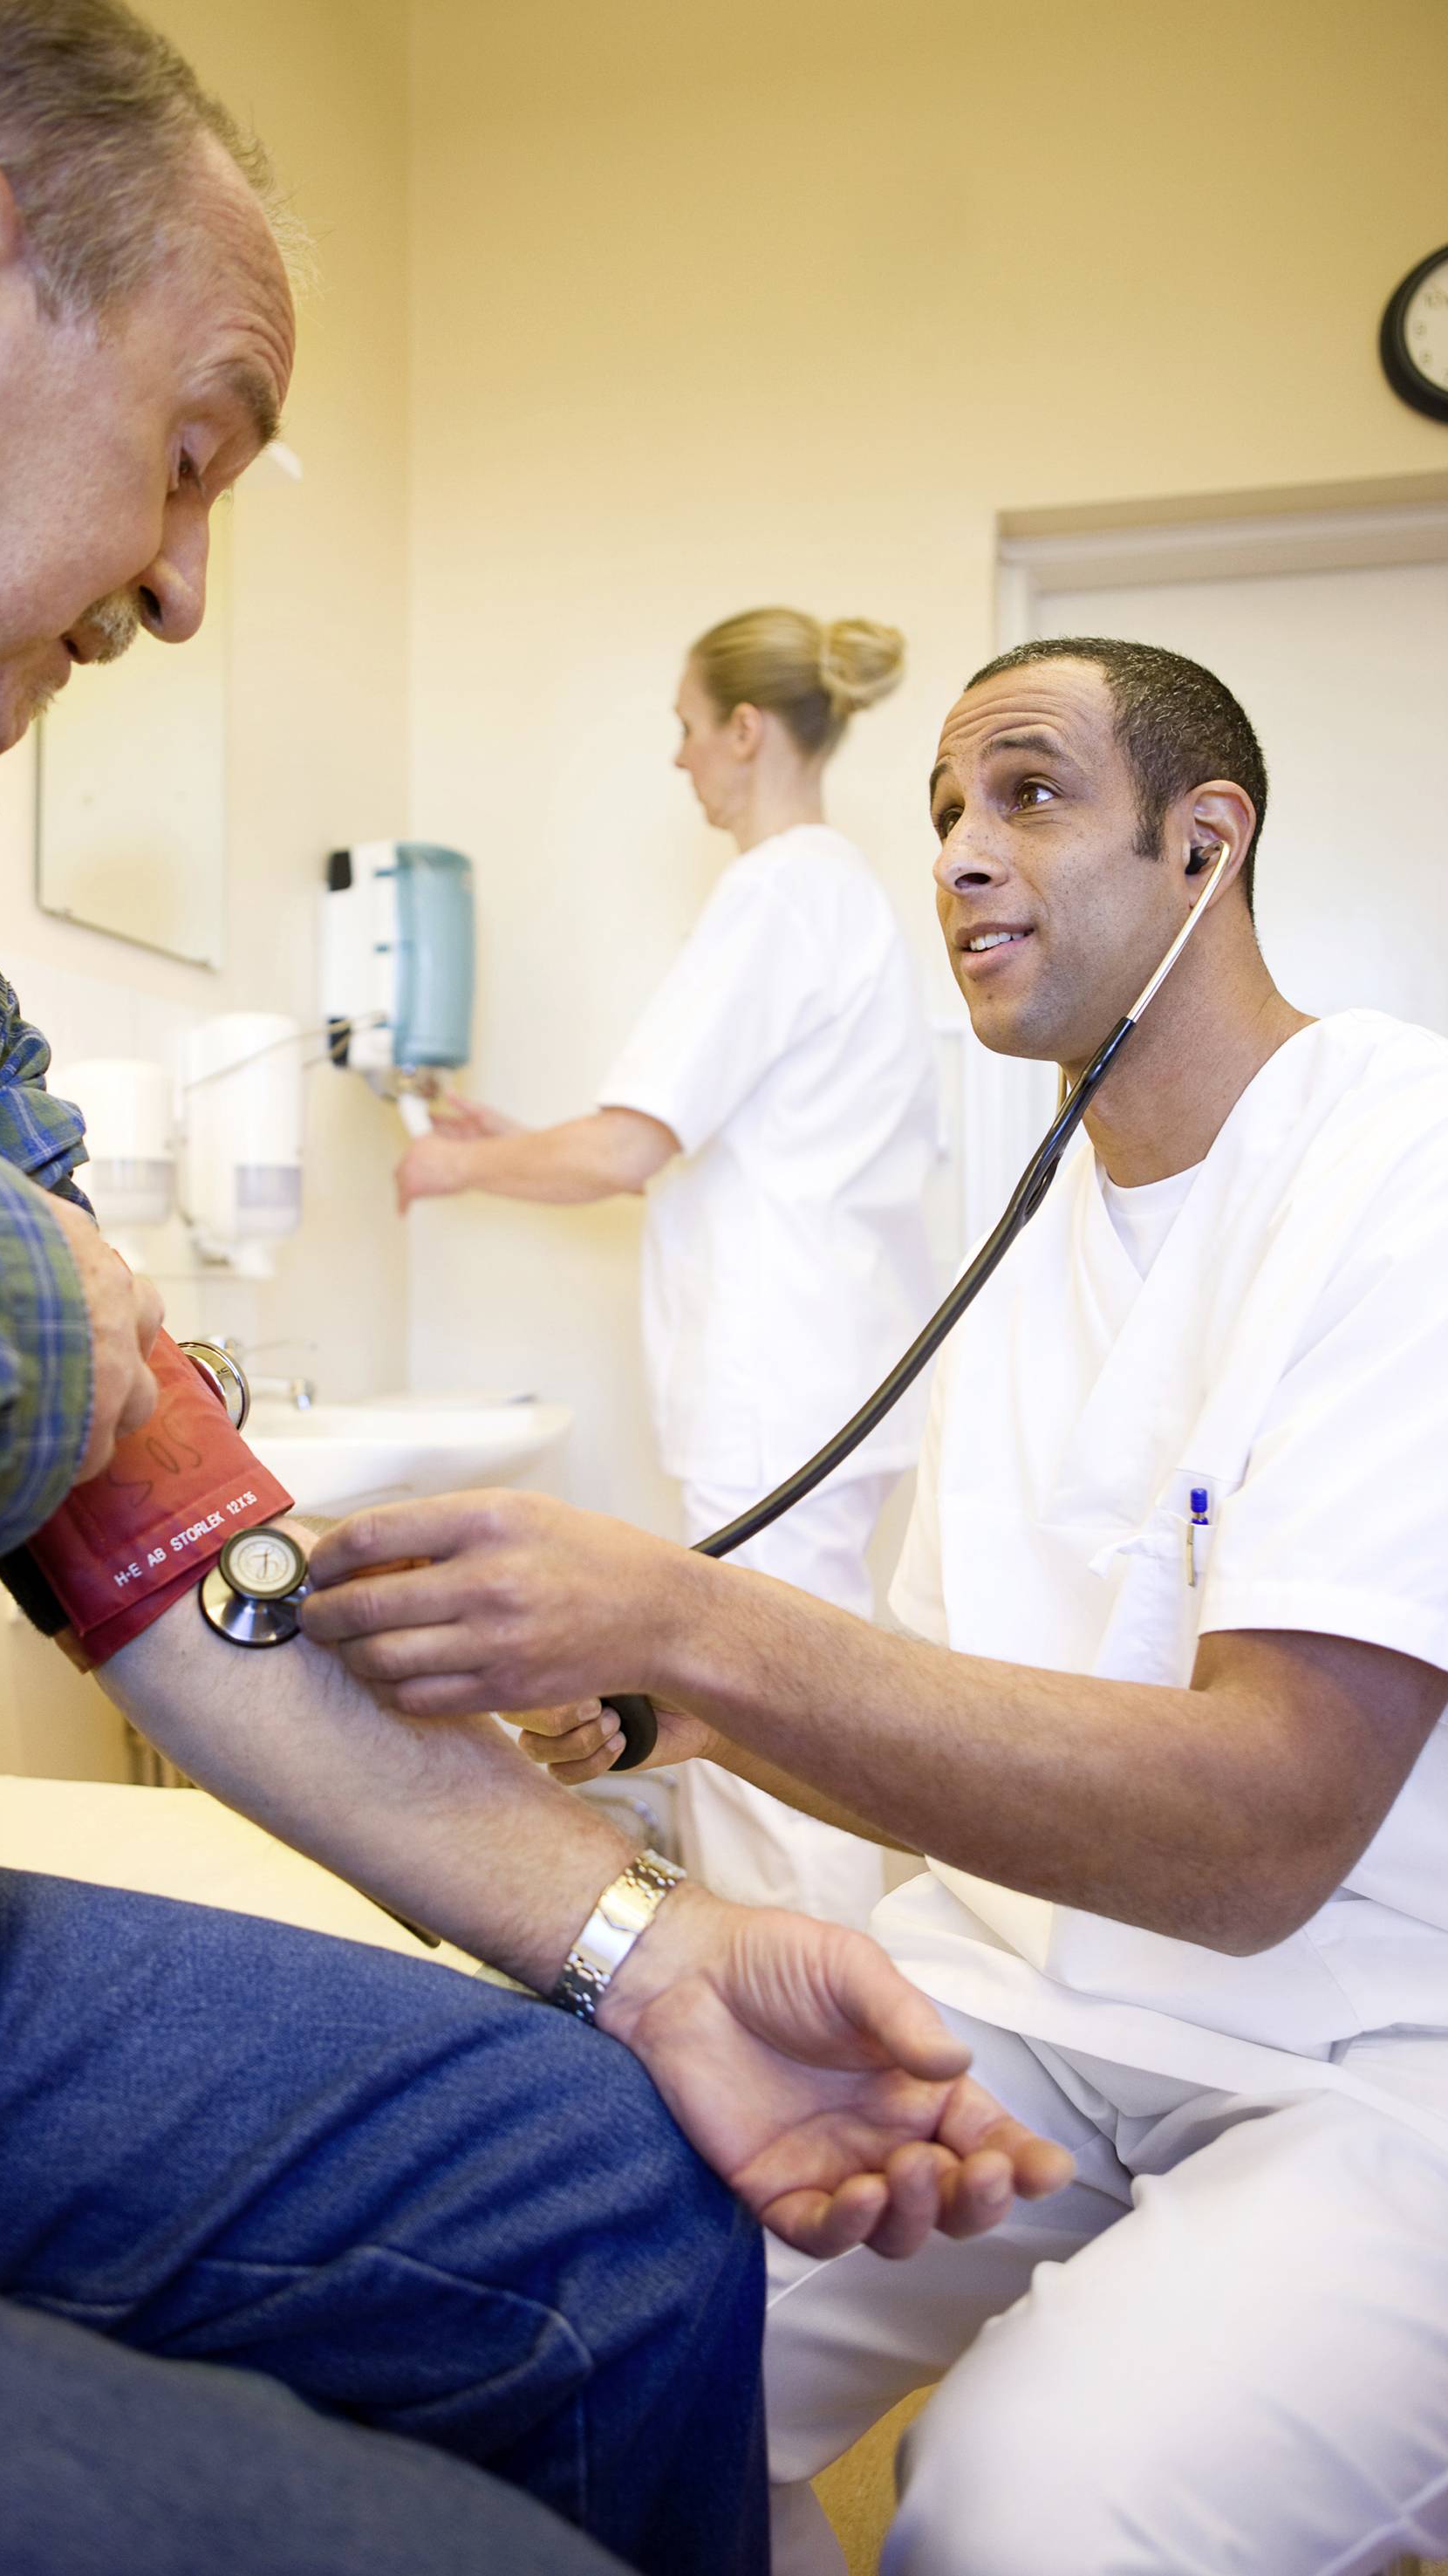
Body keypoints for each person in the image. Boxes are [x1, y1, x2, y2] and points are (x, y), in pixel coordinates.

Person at [0, 7, 1071, 2573]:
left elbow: (142, 1512)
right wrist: (38, 1302)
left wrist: (645, 1943)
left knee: (625, 2209)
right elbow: (79, 1355)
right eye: (193, 458)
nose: (189, 584)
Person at [302, 636, 1448, 2576]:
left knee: (1018, 2508)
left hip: (1369, 2065)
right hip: (1019, 2004)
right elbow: (950, 1737)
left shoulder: (1394, 1159)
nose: (962, 860)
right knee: (564, 2353)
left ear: (1205, 842)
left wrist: (692, 1628)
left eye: (1028, 793)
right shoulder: (1035, 1233)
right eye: (941, 818)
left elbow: (1264, 1834)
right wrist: (687, 1718)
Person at [395, 607, 938, 1926]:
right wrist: (527, 1141)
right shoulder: (838, 895)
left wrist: (453, 1167)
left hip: (780, 1385)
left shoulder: (776, 892)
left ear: (746, 731)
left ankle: (806, 2038)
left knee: (766, 1733)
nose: (681, 760)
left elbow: (630, 1147)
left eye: (688, 730)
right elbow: (704, 1142)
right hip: (825, 1373)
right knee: (795, 1714)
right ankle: (815, 2010)